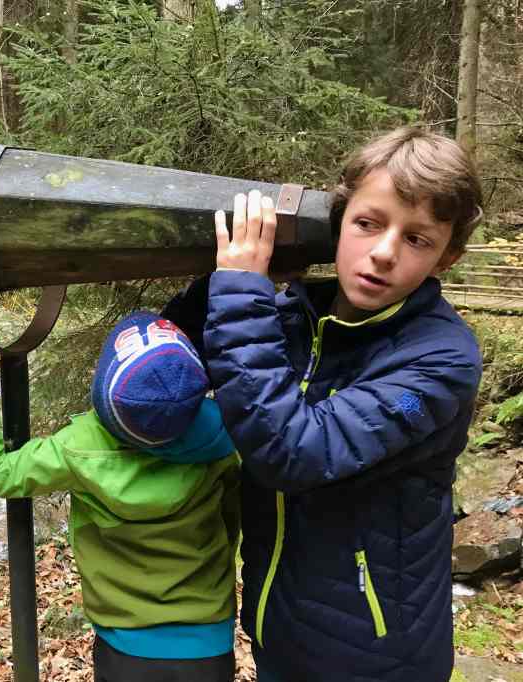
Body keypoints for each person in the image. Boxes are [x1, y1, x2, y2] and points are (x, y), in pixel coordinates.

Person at [162, 126, 484, 682]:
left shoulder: (441, 361)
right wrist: (237, 282)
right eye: (368, 224)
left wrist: (243, 290)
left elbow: (294, 453)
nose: (383, 253)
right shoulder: (293, 316)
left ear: (445, 258)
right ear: (338, 224)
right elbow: (179, 343)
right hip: (280, 627)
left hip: (375, 655)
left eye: (417, 239)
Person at [0, 311, 240, 682]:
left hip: (125, 646)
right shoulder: (226, 435)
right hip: (209, 643)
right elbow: (232, 517)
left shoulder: (80, 447)